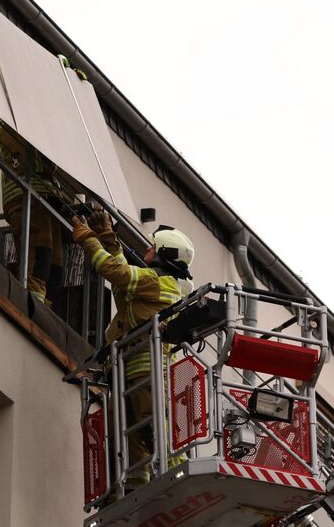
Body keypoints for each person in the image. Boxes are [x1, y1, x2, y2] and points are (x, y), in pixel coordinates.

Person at [72, 207, 195, 488]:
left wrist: (90, 239)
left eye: (154, 246)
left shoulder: (160, 282)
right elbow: (122, 287)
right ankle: (134, 488)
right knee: (127, 438)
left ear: (165, 253)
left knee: (153, 430)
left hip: (147, 370)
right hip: (126, 373)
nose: (147, 249)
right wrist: (109, 239)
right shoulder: (149, 284)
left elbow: (116, 273)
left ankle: (177, 479)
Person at [0, 117, 64, 304]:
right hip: (24, 194)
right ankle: (32, 306)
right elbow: (25, 152)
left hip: (43, 195)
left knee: (55, 268)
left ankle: (41, 308)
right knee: (39, 252)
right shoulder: (10, 116)